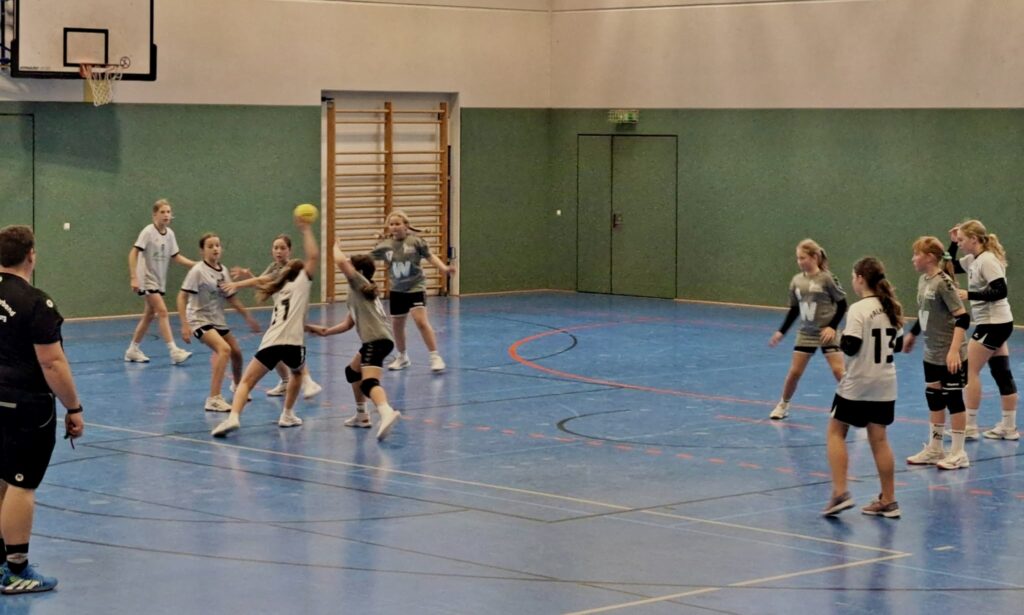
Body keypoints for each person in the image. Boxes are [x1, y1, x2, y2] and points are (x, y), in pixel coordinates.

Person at [0, 225, 85, 594]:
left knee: (2, 478)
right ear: (31, 255)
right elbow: (52, 363)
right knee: (22, 483)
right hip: (24, 405)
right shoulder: (36, 303)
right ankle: (16, 569)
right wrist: (73, 407)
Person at [211, 220, 319, 437]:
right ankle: (288, 413)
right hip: (294, 342)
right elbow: (314, 256)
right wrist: (307, 229)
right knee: (297, 373)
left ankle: (233, 417)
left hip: (272, 340)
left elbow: (263, 281)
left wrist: (239, 283)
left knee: (246, 382)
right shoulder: (302, 283)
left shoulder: (277, 288)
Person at [822, 257, 903, 519]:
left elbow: (851, 346)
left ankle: (840, 492)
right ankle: (889, 500)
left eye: (853, 277)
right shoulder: (891, 307)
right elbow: (898, 345)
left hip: (858, 382)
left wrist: (839, 336)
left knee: (836, 431)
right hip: (885, 382)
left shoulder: (858, 309)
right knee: (879, 439)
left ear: (859, 278)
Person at [307, 239, 401, 441]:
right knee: (352, 371)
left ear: (359, 271)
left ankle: (386, 412)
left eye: (351, 264)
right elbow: (348, 323)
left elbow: (341, 262)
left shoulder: (359, 283)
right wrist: (325, 331)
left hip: (376, 340)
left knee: (368, 383)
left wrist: (334, 246)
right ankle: (362, 415)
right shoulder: (358, 292)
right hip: (376, 340)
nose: (346, 266)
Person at [903, 237, 971, 470]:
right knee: (934, 398)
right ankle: (935, 448)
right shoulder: (924, 280)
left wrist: (953, 351)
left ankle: (959, 452)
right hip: (931, 352)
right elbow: (925, 312)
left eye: (917, 254)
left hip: (950, 353)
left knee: (953, 399)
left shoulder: (944, 283)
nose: (913, 259)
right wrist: (913, 334)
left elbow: (963, 318)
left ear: (930, 257)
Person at [948, 220, 1018, 440]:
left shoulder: (987, 260)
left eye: (962, 240)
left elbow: (1000, 290)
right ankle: (1008, 427)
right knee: (1001, 372)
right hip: (998, 323)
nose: (960, 244)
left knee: (970, 371)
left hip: (993, 323)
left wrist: (970, 295)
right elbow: (949, 267)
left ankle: (969, 425)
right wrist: (951, 244)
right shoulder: (972, 259)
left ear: (974, 239)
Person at [176, 233, 260, 412]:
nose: (215, 248)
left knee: (237, 353)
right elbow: (182, 297)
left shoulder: (223, 271)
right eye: (210, 246)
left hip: (217, 320)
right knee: (224, 350)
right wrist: (184, 324)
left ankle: (238, 386)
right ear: (202, 251)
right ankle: (213, 398)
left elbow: (231, 298)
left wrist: (247, 316)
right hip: (198, 319)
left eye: (217, 245)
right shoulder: (198, 271)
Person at [231, 234, 322, 399]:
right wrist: (248, 275)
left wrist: (237, 284)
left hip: (294, 313)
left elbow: (263, 280)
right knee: (277, 347)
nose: (279, 251)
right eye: (275, 248)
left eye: (282, 248)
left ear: (289, 250)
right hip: (281, 314)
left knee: (291, 346)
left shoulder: (291, 269)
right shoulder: (273, 267)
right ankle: (287, 382)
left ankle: (308, 381)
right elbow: (264, 285)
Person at [768, 239, 847, 419]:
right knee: (794, 372)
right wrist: (781, 332)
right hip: (806, 333)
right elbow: (794, 309)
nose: (800, 261)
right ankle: (783, 404)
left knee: (839, 371)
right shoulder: (796, 281)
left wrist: (832, 327)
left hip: (827, 333)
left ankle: (851, 405)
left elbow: (842, 305)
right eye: (798, 258)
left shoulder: (827, 278)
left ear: (814, 257)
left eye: (803, 258)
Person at [371, 210, 455, 372]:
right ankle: (402, 356)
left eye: (398, 224)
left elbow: (430, 257)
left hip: (415, 286)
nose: (394, 227)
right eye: (391, 224)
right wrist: (347, 262)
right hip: (397, 289)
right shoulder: (385, 245)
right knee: (397, 325)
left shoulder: (415, 242)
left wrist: (444, 268)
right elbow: (367, 258)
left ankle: (435, 356)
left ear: (406, 225)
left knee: (420, 321)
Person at [125, 199, 196, 364]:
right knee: (162, 311)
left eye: (168, 212)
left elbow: (176, 256)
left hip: (159, 280)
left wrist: (196, 265)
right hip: (146, 278)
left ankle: (132, 350)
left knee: (149, 315)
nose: (166, 215)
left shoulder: (170, 234)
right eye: (162, 212)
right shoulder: (148, 232)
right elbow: (133, 253)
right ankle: (174, 351)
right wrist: (134, 277)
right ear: (154, 215)